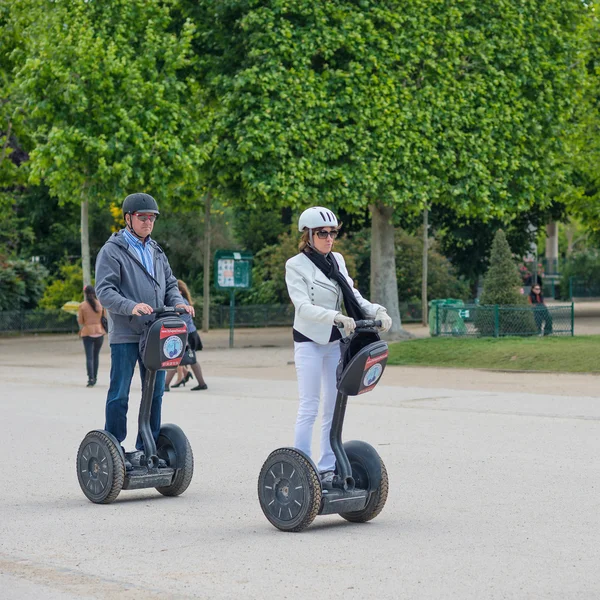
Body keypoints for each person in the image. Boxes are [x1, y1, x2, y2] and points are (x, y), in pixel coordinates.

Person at [285, 206, 393, 485]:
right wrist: (336, 316)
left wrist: (377, 311)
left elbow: (353, 295)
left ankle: (327, 468)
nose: (329, 238)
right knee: (309, 406)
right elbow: (303, 307)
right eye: (322, 233)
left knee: (333, 408)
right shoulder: (295, 265)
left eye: (333, 232)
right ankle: (302, 468)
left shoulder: (337, 261)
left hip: (334, 341)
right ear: (307, 235)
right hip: (309, 342)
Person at [95, 193, 194, 469]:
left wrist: (179, 303)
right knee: (120, 392)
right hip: (127, 333)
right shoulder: (112, 251)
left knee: (157, 392)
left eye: (152, 217)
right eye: (143, 217)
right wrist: (130, 306)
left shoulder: (156, 251)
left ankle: (146, 447)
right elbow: (105, 291)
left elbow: (171, 284)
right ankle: (114, 449)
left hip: (156, 333)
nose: (148, 221)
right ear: (128, 218)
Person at [165, 279, 208, 391]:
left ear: (179, 292)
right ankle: (201, 383)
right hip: (188, 334)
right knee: (190, 359)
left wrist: (185, 341)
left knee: (176, 360)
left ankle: (165, 385)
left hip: (186, 334)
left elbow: (182, 323)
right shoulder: (183, 301)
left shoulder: (182, 304)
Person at [77, 285, 106, 387]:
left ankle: (91, 378)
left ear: (85, 293)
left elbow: (80, 320)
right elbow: (104, 317)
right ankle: (95, 377)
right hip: (99, 332)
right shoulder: (100, 304)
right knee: (96, 356)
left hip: (87, 332)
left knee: (89, 357)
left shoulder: (82, 305)